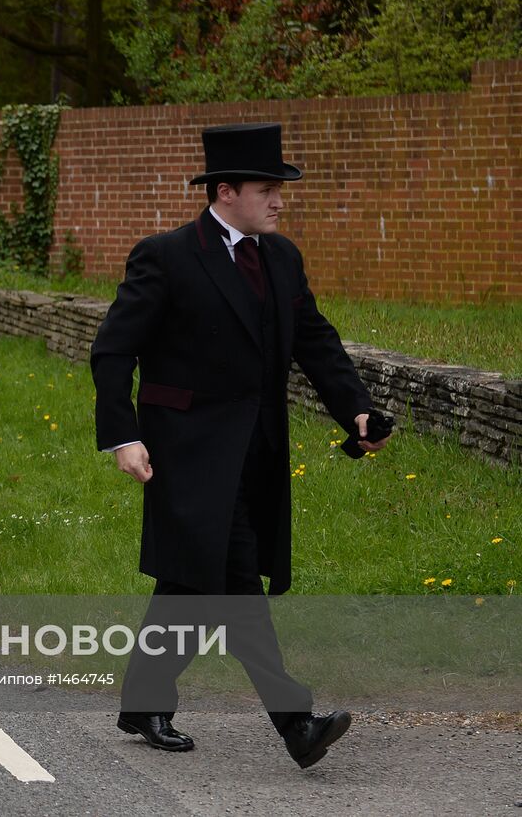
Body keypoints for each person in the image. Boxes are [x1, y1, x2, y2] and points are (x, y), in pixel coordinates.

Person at [89, 123, 391, 769]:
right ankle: (295, 724)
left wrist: (357, 410)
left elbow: (316, 341)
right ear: (226, 191)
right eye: (266, 189)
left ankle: (142, 700)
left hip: (256, 452)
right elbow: (113, 349)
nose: (279, 201)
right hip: (187, 452)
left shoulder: (281, 259)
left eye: (280, 189)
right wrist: (122, 434)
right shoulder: (165, 256)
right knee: (233, 582)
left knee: (192, 583)